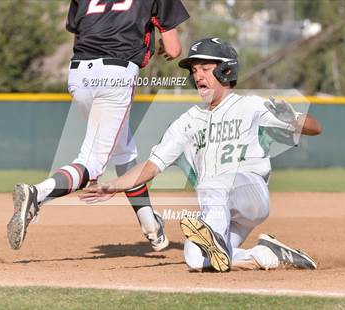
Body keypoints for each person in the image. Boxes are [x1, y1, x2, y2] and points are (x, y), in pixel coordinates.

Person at [79, 38, 323, 272]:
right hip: (219, 207)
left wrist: (290, 117)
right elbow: (152, 166)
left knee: (215, 183)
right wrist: (113, 186)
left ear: (225, 71)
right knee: (195, 260)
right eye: (194, 70)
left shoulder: (251, 106)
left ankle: (215, 239)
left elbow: (315, 128)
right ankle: (267, 255)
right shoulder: (187, 122)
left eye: (206, 68)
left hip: (250, 192)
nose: (198, 76)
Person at [7, 0, 189, 251]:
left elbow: (77, 39)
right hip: (116, 74)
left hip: (79, 74)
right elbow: (174, 48)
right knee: (92, 163)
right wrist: (163, 46)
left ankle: (151, 226)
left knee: (123, 150)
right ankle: (37, 193)